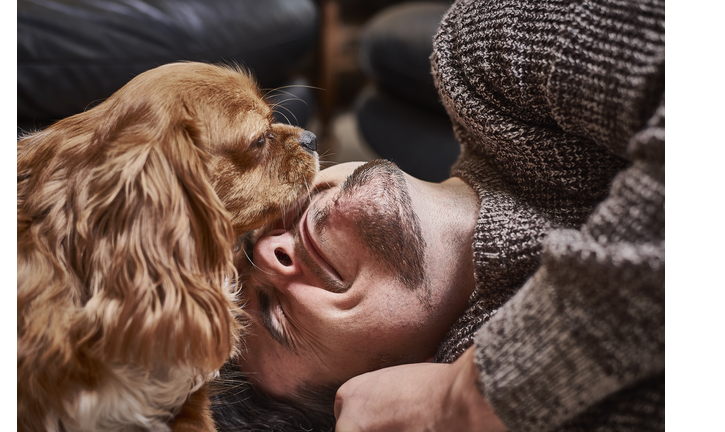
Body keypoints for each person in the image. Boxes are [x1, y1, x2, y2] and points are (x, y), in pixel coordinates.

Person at [212, 0, 665, 430]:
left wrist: (470, 395)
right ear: (373, 398)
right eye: (271, 311)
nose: (269, 248)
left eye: (248, 234)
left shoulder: (479, 54)